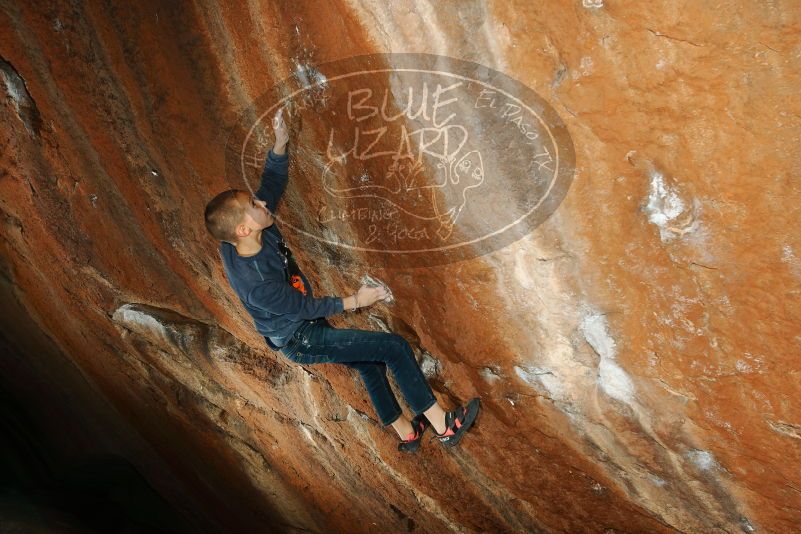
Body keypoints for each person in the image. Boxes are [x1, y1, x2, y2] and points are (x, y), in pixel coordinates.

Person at [203, 107, 479, 452]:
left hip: (298, 324)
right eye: (254, 204)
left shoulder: (247, 233)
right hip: (301, 338)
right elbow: (303, 308)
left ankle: (407, 434)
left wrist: (280, 143)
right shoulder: (255, 283)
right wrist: (358, 301)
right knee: (393, 348)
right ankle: (444, 426)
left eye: (254, 199)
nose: (261, 202)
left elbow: (271, 185)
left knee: (369, 365)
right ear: (244, 230)